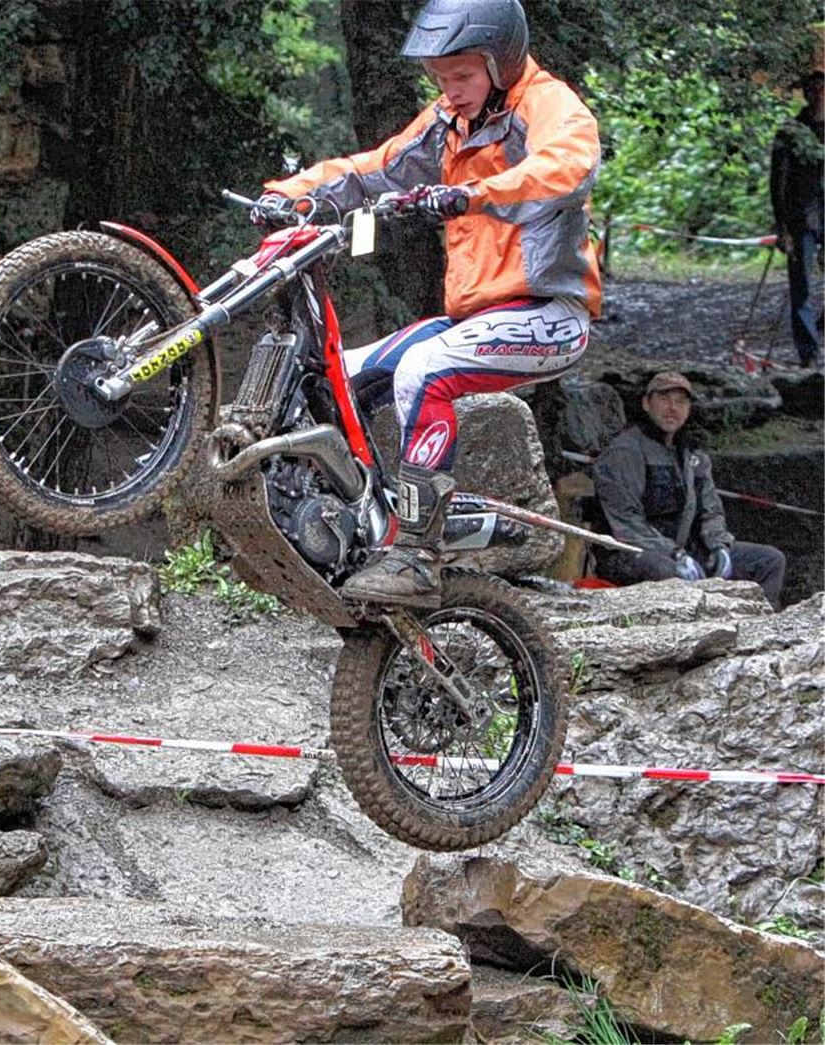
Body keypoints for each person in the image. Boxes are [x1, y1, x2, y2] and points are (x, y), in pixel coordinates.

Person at [251, 0, 602, 608]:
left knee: (423, 370)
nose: (449, 90)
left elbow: (567, 166)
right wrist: (291, 194)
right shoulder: (449, 122)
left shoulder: (548, 105)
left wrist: (473, 194)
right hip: (474, 319)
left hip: (550, 315)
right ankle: (350, 523)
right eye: (439, 78)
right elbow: (376, 168)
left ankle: (416, 555)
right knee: (338, 377)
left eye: (461, 75)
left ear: (501, 62)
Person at [591, 372, 786, 610]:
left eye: (681, 401)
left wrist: (719, 546)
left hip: (685, 550)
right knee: (665, 571)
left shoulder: (692, 454)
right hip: (628, 553)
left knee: (769, 560)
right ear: (646, 403)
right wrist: (673, 553)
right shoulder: (624, 452)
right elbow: (626, 522)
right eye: (664, 399)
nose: (672, 408)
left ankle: (757, 621)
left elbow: (711, 511)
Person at [769, 68, 824, 368]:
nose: (819, 95)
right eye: (813, 89)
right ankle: (809, 353)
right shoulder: (790, 131)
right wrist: (782, 228)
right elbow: (778, 182)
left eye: (823, 89)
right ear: (805, 93)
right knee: (801, 286)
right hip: (801, 218)